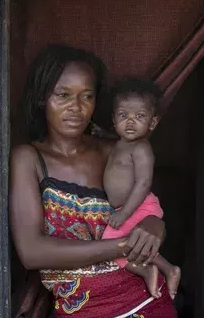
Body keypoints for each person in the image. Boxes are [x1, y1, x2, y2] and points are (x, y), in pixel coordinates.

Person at [9, 44, 177, 317]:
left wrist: (155, 225)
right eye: (63, 95)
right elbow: (31, 251)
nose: (75, 107)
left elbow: (147, 212)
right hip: (83, 308)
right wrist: (123, 245)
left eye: (86, 96)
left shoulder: (116, 151)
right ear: (42, 98)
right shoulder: (28, 158)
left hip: (146, 302)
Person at [101, 78, 181, 300]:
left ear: (153, 123)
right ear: (114, 119)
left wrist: (124, 213)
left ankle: (151, 270)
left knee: (113, 245)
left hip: (139, 206)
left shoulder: (142, 148)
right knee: (129, 244)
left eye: (139, 117)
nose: (130, 122)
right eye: (123, 115)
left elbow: (144, 183)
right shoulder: (121, 142)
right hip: (130, 207)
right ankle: (168, 269)